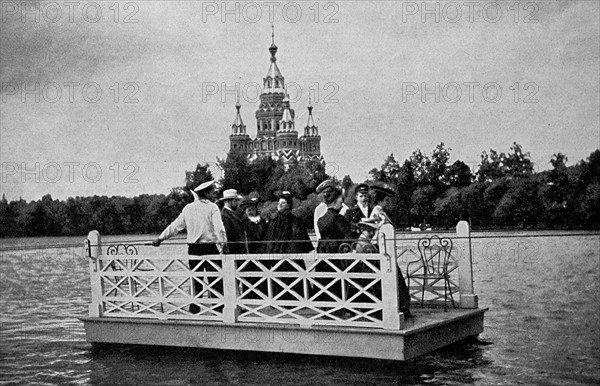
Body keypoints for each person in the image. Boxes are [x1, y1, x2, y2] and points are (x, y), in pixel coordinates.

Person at [152, 180, 226, 314]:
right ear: (206, 193)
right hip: (210, 248)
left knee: (195, 279)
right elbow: (219, 228)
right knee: (215, 279)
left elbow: (174, 227)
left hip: (193, 249)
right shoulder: (212, 207)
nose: (214, 193)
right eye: (212, 191)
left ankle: (194, 309)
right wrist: (224, 242)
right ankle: (218, 309)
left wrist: (160, 238)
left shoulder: (188, 208)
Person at [367, 184, 412, 318]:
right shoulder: (378, 213)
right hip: (382, 251)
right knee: (395, 281)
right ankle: (400, 308)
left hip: (384, 250)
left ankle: (398, 308)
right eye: (387, 200)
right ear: (382, 200)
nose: (389, 203)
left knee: (396, 281)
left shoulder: (378, 212)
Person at [316, 182, 353, 254]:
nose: (342, 205)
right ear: (335, 203)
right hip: (337, 253)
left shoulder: (320, 220)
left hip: (323, 253)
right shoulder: (339, 219)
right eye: (340, 202)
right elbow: (347, 237)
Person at [219, 189, 245, 254]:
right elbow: (227, 236)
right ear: (229, 201)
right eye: (235, 201)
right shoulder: (225, 216)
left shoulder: (231, 214)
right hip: (233, 252)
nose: (237, 203)